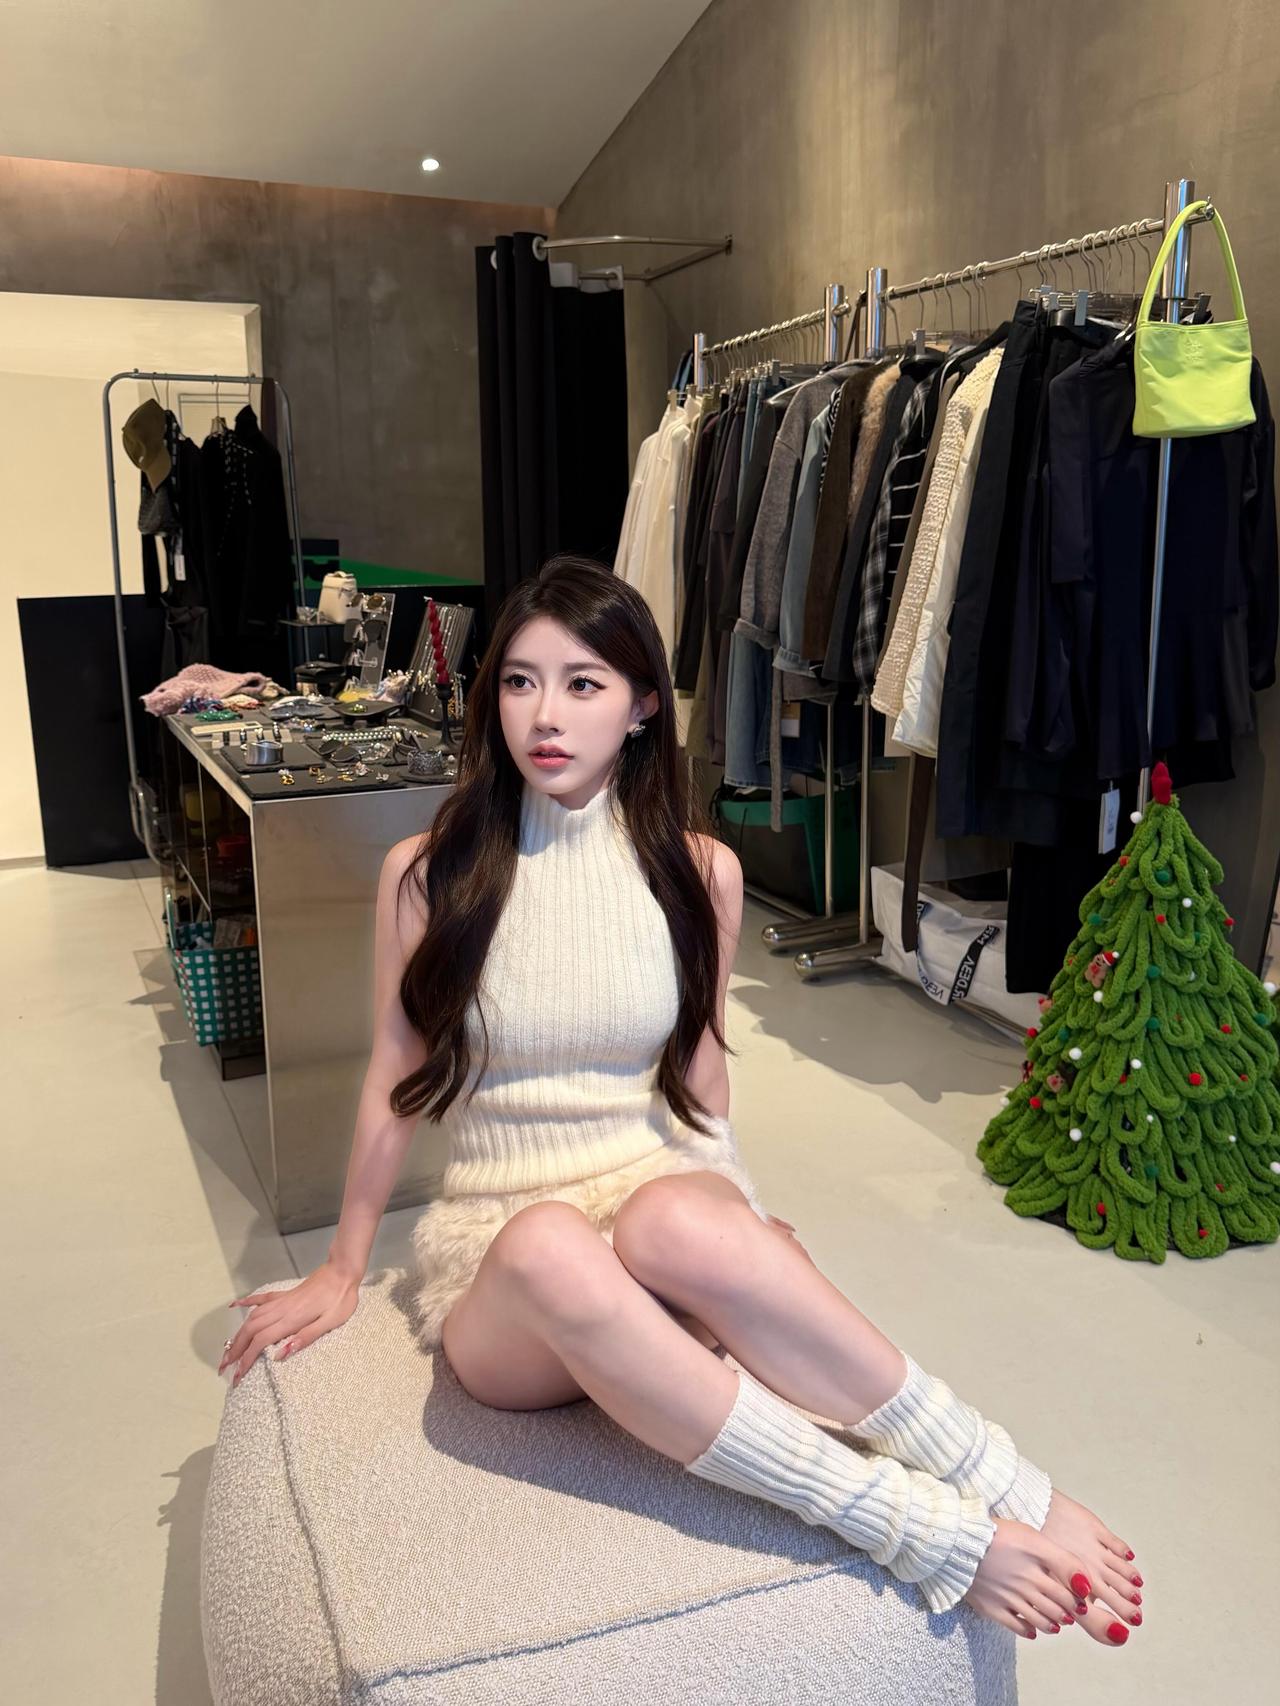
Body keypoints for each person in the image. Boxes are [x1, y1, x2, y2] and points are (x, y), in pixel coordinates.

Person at [220, 556, 1143, 1644]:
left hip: (650, 1200)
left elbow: (700, 1074)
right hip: (507, 1263)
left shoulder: (697, 872)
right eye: (519, 681)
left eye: (583, 683)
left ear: (643, 705)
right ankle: (910, 1524)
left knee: (681, 1214)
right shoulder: (430, 874)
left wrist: (742, 1213)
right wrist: (342, 1263)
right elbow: (392, 1070)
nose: (545, 715)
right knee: (551, 1243)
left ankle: (997, 1473)